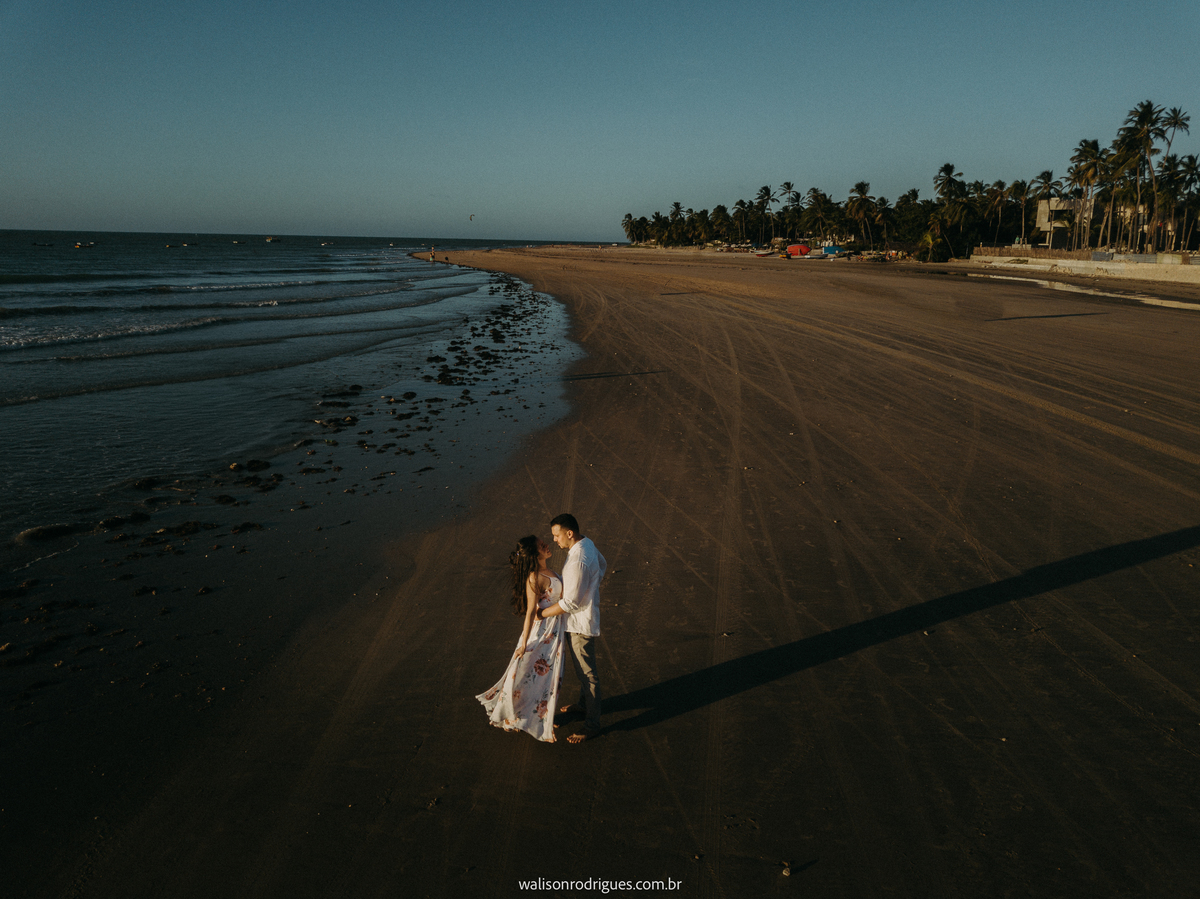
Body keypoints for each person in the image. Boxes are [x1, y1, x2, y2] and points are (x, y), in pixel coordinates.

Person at [476, 535, 565, 742]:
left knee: (550, 676)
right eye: (542, 546)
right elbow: (531, 613)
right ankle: (515, 716)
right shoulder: (534, 577)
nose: (547, 546)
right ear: (535, 554)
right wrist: (524, 643)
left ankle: (543, 715)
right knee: (530, 674)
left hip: (554, 631)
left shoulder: (548, 571)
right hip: (542, 632)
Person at [537, 513, 606, 743]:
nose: (554, 540)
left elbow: (571, 603)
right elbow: (603, 564)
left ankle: (592, 724)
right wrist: (591, 586)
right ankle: (583, 705)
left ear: (569, 533)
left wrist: (542, 613)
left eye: (557, 535)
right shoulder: (587, 543)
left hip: (579, 624)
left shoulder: (578, 560)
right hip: (582, 619)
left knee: (588, 674)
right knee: (583, 670)